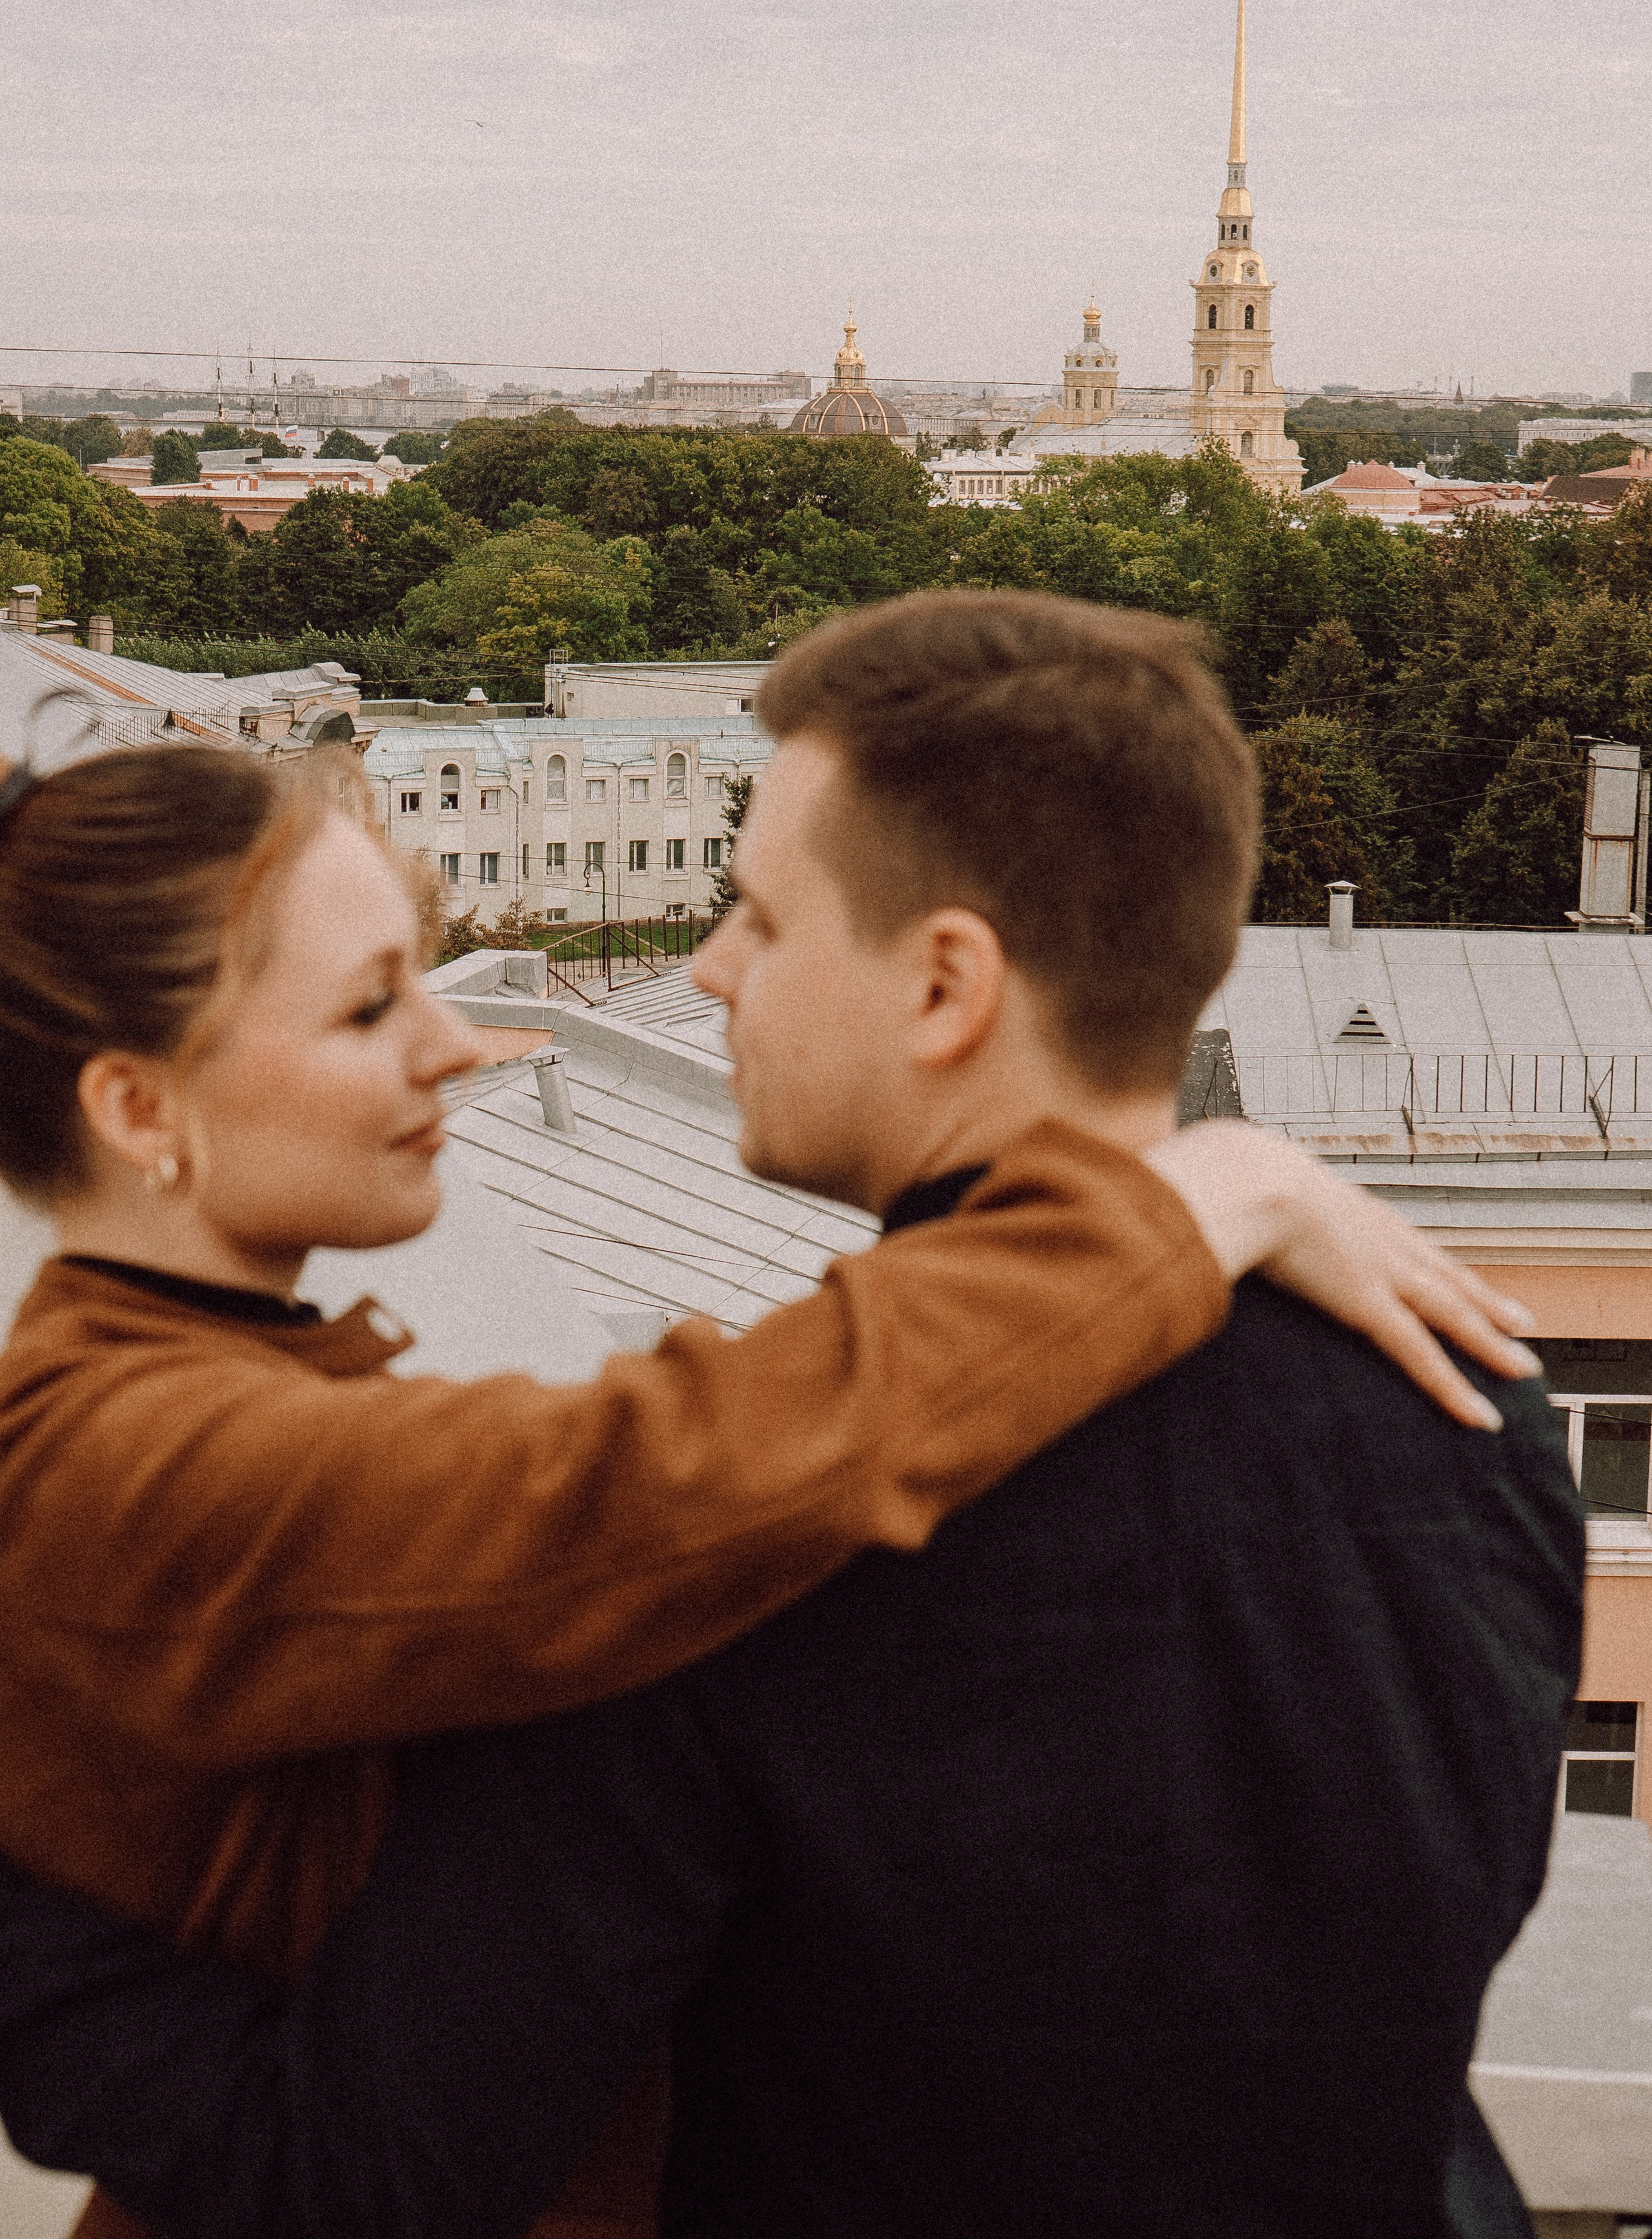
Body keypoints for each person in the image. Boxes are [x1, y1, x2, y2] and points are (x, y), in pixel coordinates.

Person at [0, 595, 1574, 2239]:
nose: (701, 964)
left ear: (944, 984)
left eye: (755, 914)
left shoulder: (722, 1571)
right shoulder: (1483, 1420)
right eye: (368, 1004)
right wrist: (1196, 1192)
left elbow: (377, 2163)